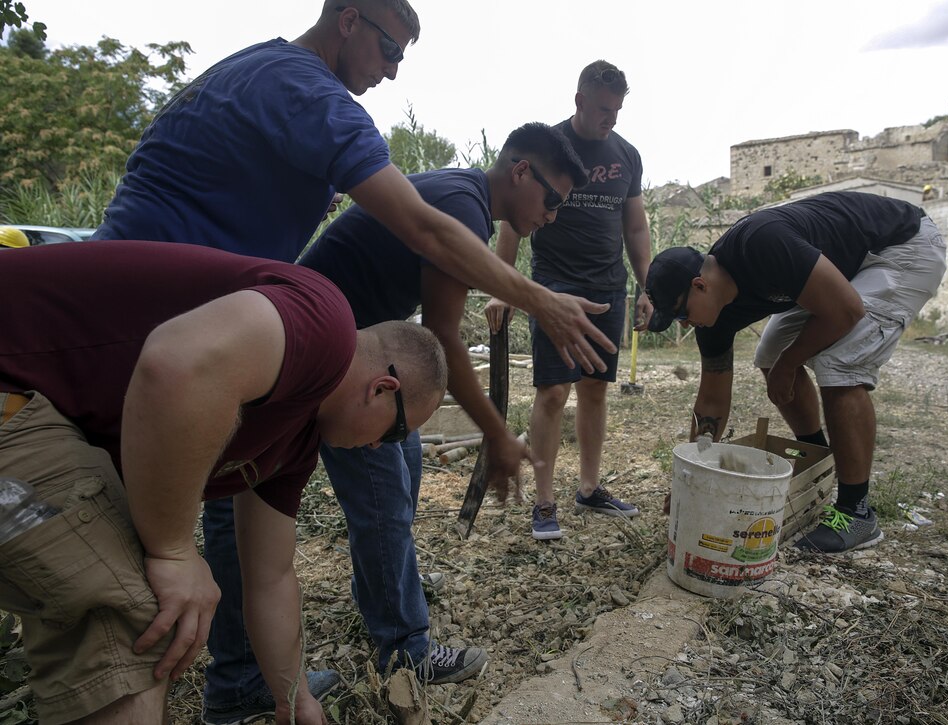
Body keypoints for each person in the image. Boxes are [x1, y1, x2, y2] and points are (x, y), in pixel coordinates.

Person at [89, 1, 615, 720]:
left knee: (283, 489)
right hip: (243, 339)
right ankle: (390, 651)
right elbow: (434, 283)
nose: (392, 71)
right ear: (349, 19)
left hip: (225, 325)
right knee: (345, 497)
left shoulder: (269, 75)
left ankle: (255, 679)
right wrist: (538, 308)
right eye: (390, 48)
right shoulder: (317, 97)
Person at [0, 240, 448, 725]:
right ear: (383, 389)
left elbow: (271, 576)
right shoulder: (324, 325)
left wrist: (292, 695)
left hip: (40, 423)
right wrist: (172, 551)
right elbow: (175, 361)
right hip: (14, 388)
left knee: (111, 610)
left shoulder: (293, 441)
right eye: (398, 431)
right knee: (135, 622)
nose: (384, 447)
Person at [297, 121, 588, 681]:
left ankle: (386, 595)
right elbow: (445, 337)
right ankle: (405, 649)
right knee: (383, 496)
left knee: (402, 468)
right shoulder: (465, 208)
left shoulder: (462, 192)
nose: (552, 215)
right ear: (521, 171)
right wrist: (498, 434)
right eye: (552, 199)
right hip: (332, 361)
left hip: (354, 349)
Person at [644, 191, 947, 553]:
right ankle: (817, 460)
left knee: (839, 363)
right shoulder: (714, 317)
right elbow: (710, 400)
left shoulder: (760, 244)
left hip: (900, 246)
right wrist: (691, 475)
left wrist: (790, 364)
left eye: (681, 315)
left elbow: (847, 310)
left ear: (699, 285)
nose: (684, 325)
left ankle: (857, 513)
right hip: (842, 268)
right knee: (770, 353)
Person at [485, 60, 653, 540]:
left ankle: (589, 487)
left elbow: (636, 226)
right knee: (554, 392)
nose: (611, 119)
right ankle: (543, 501)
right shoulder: (549, 148)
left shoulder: (627, 156)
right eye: (603, 109)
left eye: (618, 110)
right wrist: (504, 288)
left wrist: (647, 284)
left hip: (607, 286)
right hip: (554, 285)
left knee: (596, 389)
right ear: (579, 101)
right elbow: (513, 218)